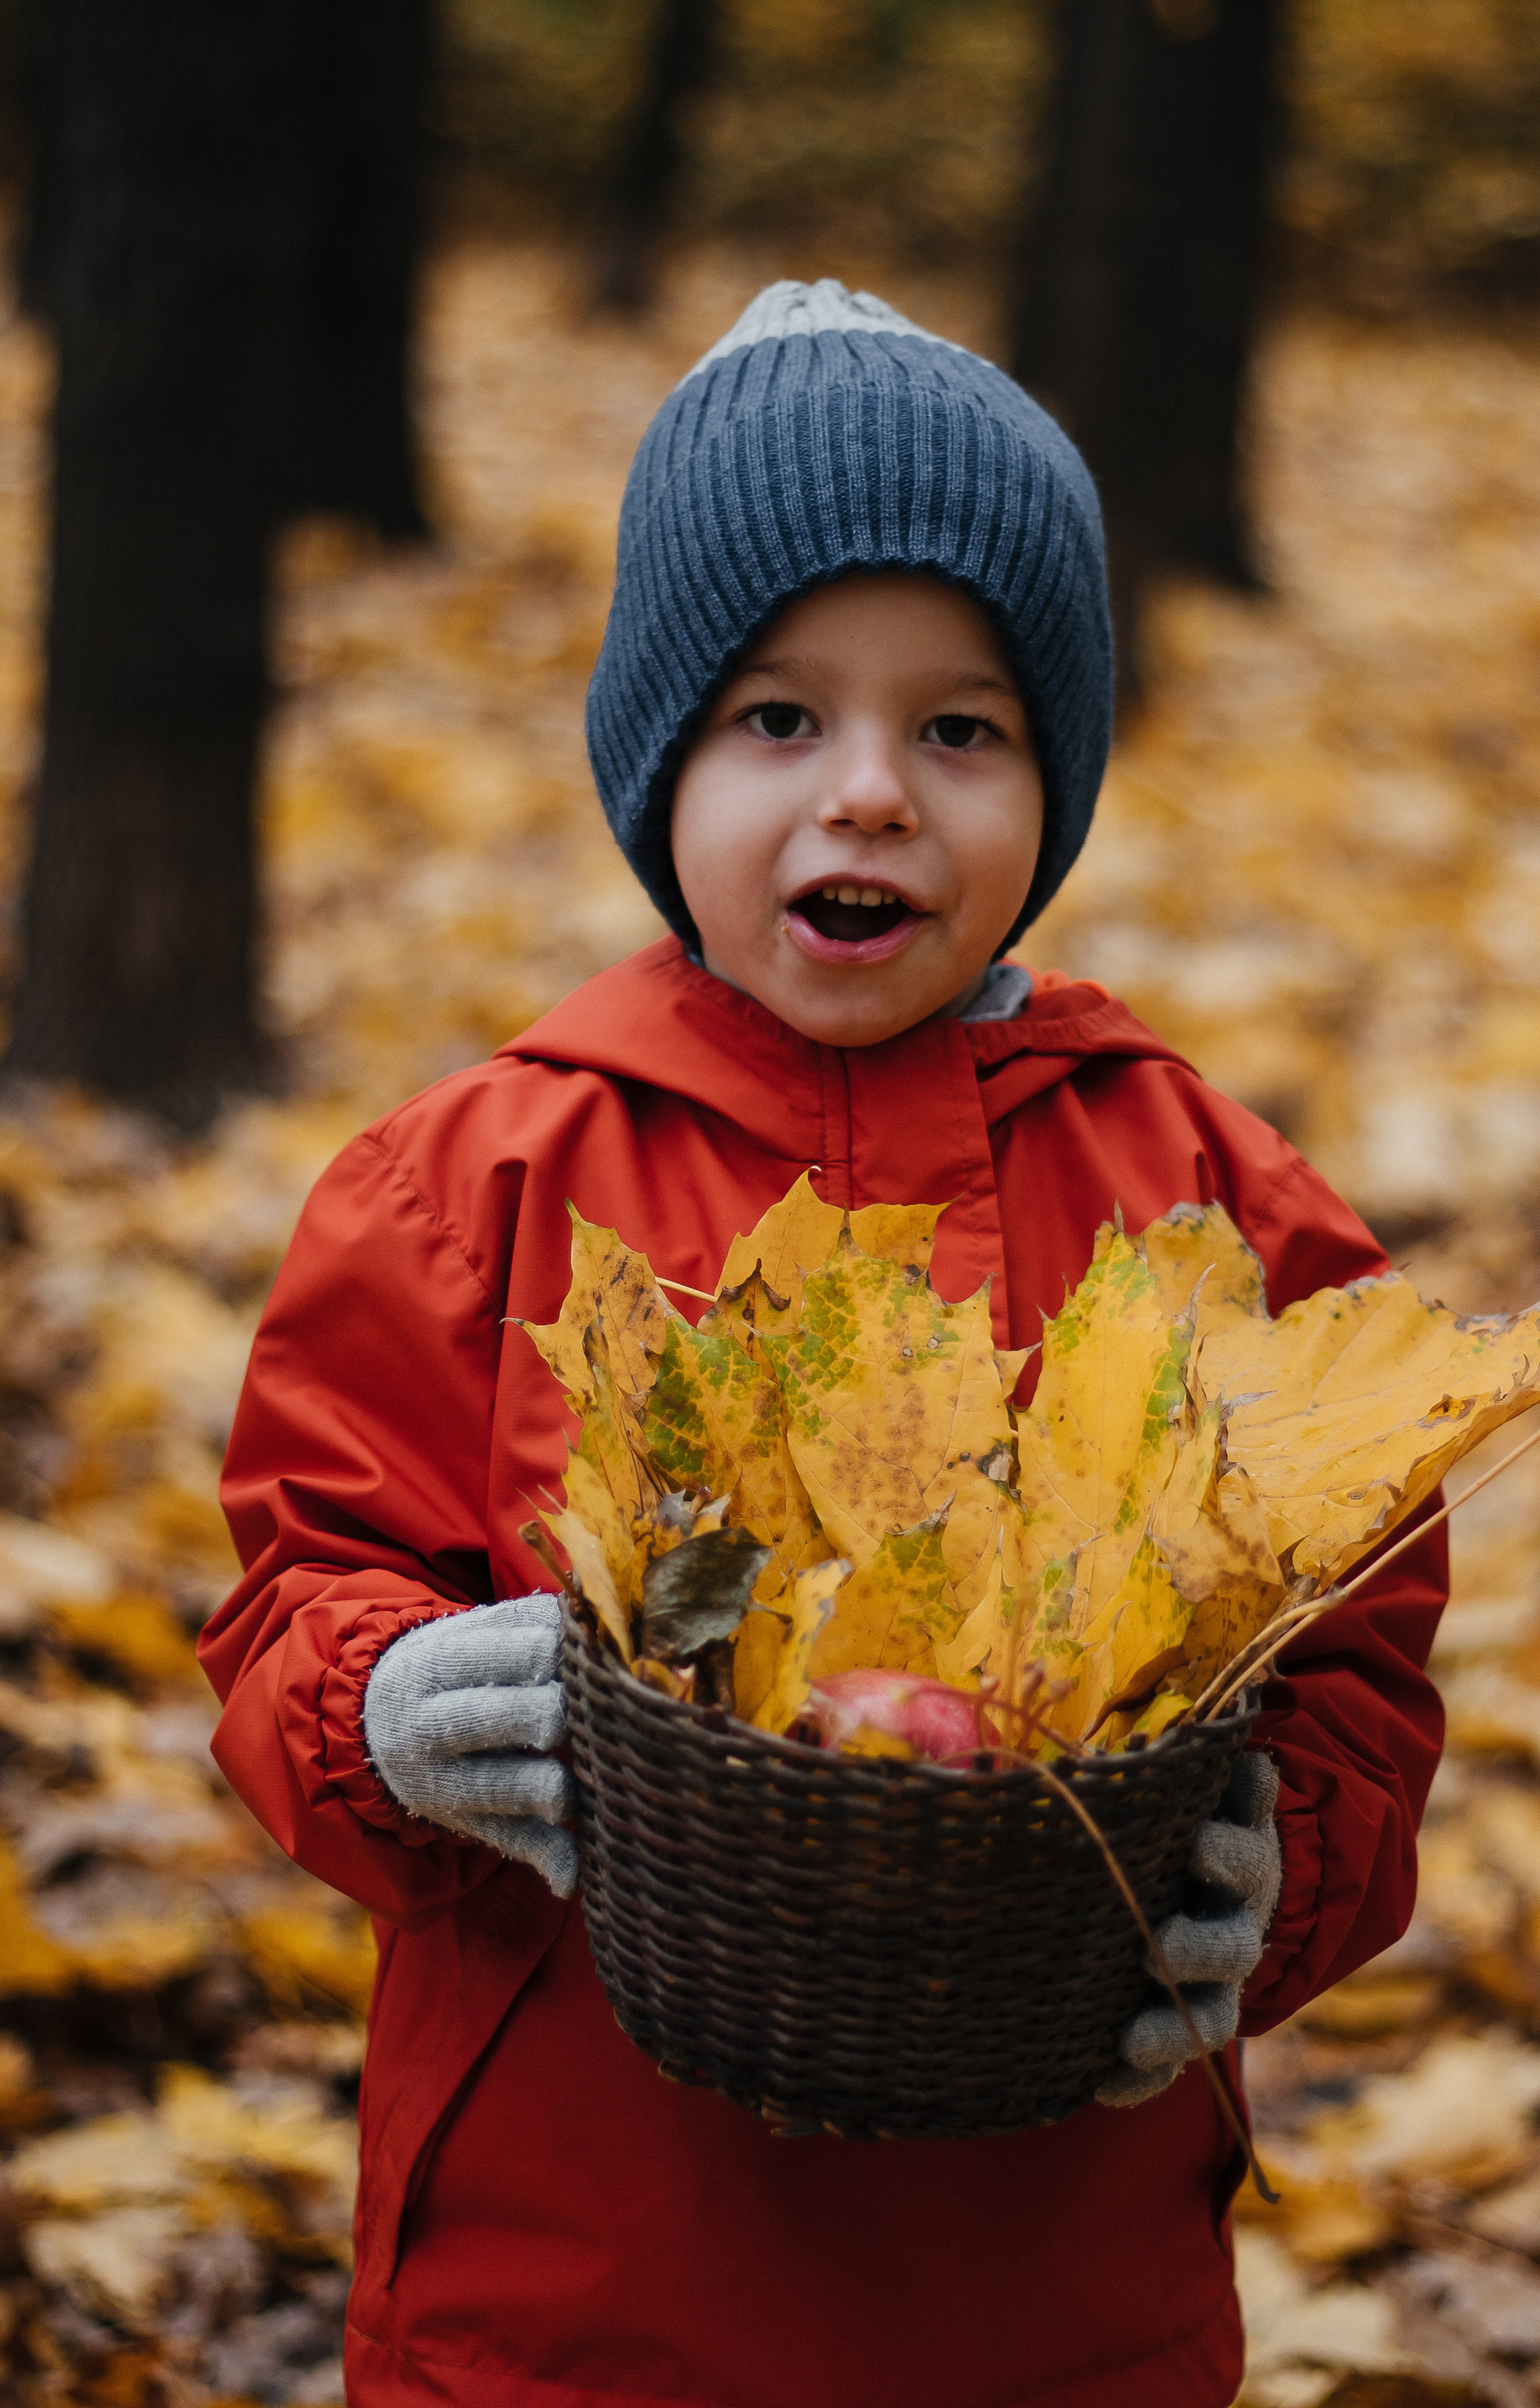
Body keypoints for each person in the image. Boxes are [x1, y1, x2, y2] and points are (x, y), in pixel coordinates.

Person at [200, 279, 1446, 2408]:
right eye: (780, 719)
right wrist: (384, 1707)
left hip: (1053, 2298)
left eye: (959, 730)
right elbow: (299, 1584)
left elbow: (1353, 1654)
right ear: (656, 762)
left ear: (1048, 785)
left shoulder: (1208, 1209)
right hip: (574, 2285)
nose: (869, 795)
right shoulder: (469, 1183)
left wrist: (1287, 1871)